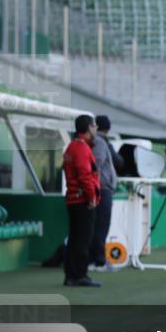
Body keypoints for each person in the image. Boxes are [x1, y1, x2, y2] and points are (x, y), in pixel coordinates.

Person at [63, 114, 101, 287]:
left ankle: (71, 275)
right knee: (83, 240)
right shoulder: (82, 149)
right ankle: (79, 275)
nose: (96, 129)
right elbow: (85, 175)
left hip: (73, 200)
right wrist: (91, 197)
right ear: (88, 128)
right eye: (94, 126)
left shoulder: (72, 147)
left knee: (74, 239)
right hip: (82, 201)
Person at [89, 115, 121, 269]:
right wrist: (96, 187)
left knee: (96, 225)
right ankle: (99, 260)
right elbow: (99, 165)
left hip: (97, 188)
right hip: (102, 188)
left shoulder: (93, 142)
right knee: (101, 225)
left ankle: (95, 259)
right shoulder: (101, 143)